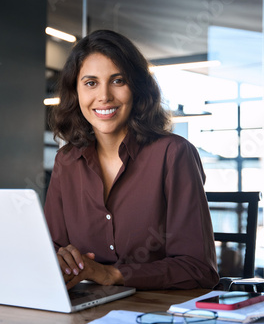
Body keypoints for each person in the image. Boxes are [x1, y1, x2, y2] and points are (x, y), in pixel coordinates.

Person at [44, 29, 219, 290]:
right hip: (85, 309)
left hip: (155, 311)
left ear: (136, 88)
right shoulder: (66, 160)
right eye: (91, 83)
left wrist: (111, 274)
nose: (104, 96)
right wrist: (57, 261)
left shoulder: (174, 154)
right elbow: (51, 250)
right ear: (75, 92)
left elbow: (198, 268)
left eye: (117, 81)